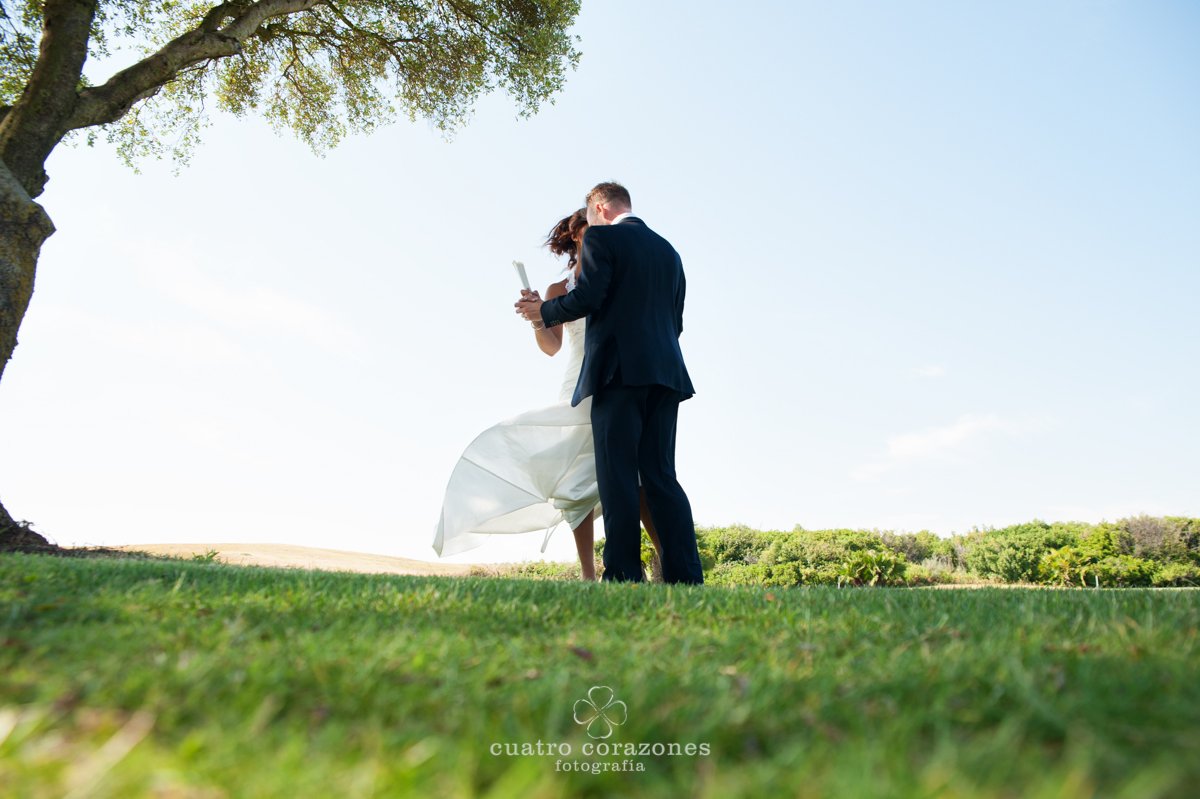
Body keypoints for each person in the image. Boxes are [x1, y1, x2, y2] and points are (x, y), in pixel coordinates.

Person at [433, 209, 663, 581]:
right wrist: (538, 316)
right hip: (578, 385)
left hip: (620, 382)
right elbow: (550, 347)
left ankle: (665, 560)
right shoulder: (561, 290)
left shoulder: (617, 273)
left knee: (636, 477)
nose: (602, 236)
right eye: (592, 231)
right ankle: (589, 574)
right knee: (575, 484)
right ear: (576, 238)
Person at [516, 183, 704, 584]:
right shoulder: (670, 252)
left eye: (589, 217)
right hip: (666, 375)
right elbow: (677, 321)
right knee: (660, 477)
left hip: (617, 375)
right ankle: (686, 577)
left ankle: (622, 574)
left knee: (617, 477)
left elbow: (588, 297)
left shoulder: (603, 236)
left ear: (599, 208)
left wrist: (543, 310)